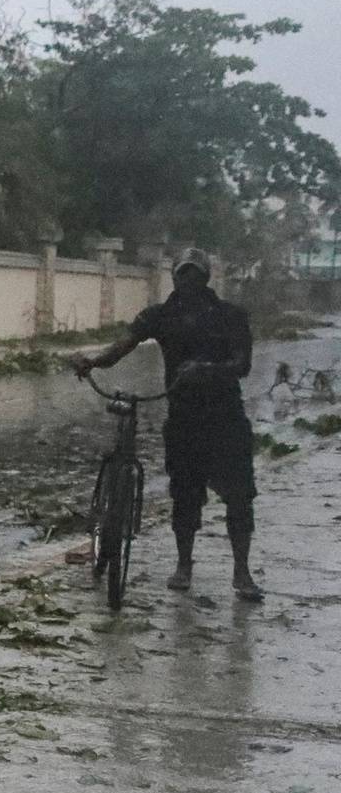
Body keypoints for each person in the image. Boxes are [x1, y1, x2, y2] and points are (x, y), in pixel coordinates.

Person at [73, 248, 260, 602]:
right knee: (184, 494)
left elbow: (242, 364)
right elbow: (122, 347)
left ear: (206, 279)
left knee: (239, 496)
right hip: (183, 418)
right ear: (174, 278)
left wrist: (205, 369)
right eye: (183, 274)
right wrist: (93, 362)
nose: (188, 281)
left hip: (226, 418)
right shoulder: (160, 316)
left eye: (195, 275)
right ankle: (184, 564)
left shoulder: (230, 316)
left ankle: (242, 570)